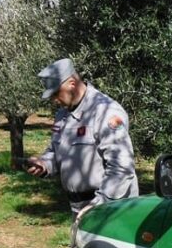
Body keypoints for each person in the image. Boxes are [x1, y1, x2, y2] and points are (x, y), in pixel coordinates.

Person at [26, 58, 138, 217]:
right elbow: (57, 152)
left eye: (56, 93)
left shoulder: (105, 112)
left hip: (111, 209)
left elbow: (122, 166)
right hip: (79, 207)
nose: (54, 100)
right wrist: (44, 164)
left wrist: (100, 204)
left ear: (72, 83)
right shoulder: (62, 115)